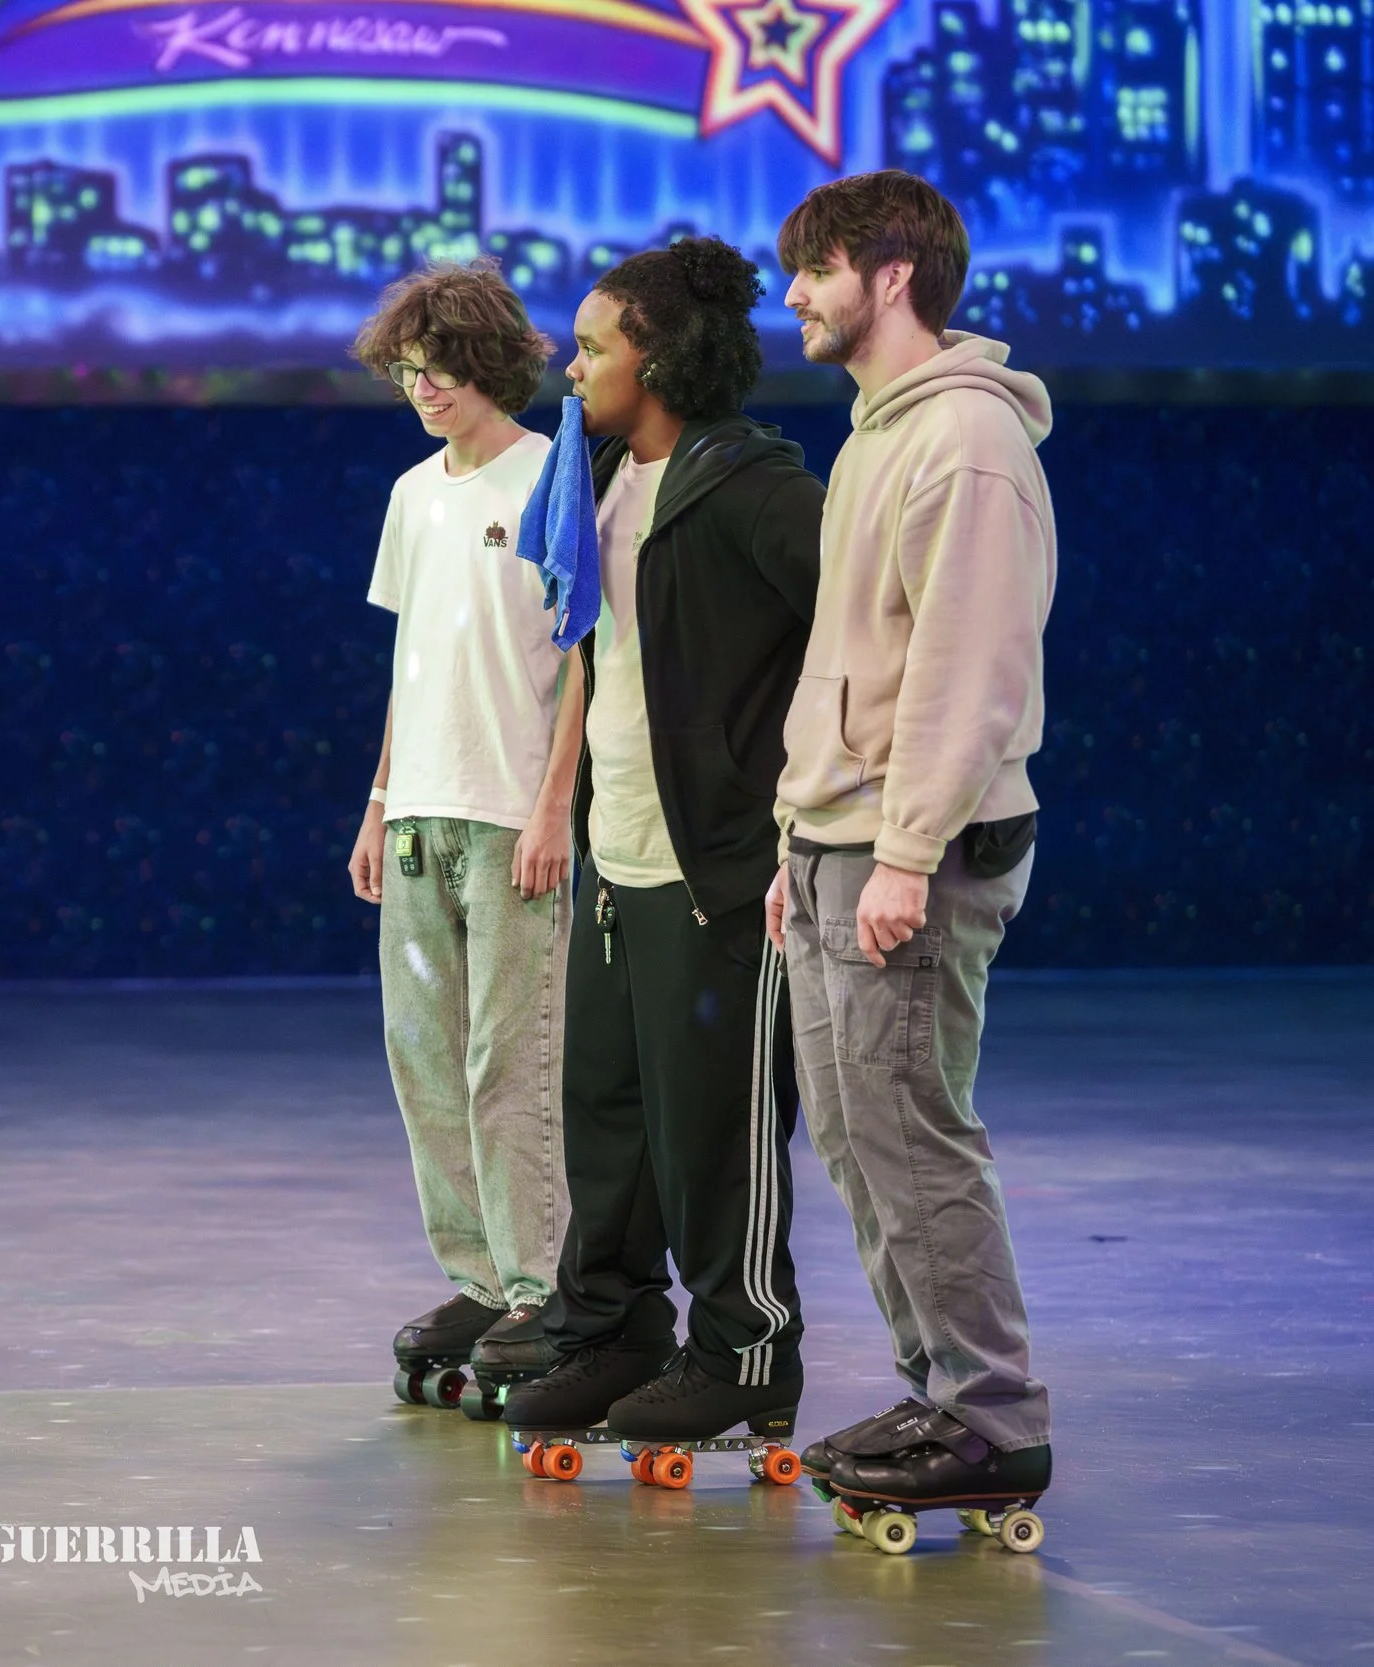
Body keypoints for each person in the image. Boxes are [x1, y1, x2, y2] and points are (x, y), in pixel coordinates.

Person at [764, 171, 1058, 1509]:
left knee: (914, 1132)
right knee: (855, 1133)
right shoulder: (877, 432)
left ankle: (993, 1413)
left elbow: (965, 670)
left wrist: (902, 849)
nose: (794, 298)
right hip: (837, 837)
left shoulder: (968, 441)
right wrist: (799, 837)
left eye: (812, 271)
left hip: (914, 850)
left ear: (887, 275)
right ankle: (938, 1384)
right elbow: (850, 655)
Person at [498, 238, 824, 1444]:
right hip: (618, 854)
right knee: (611, 1113)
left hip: (720, 868)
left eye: (591, 348)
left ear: (661, 356)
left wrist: (797, 799)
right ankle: (613, 1324)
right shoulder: (592, 480)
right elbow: (595, 654)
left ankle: (744, 1356)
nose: (570, 368)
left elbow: (857, 629)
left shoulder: (755, 486)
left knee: (715, 1133)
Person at [345, 261, 585, 1415]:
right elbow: (411, 665)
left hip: (510, 818)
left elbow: (582, 656)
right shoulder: (409, 494)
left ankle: (542, 1285)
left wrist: (554, 802)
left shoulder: (553, 477)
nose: (419, 385)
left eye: (435, 365)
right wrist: (381, 794)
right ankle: (478, 1276)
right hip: (422, 816)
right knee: (425, 1061)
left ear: (486, 361)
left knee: (510, 1059)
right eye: (405, 369)